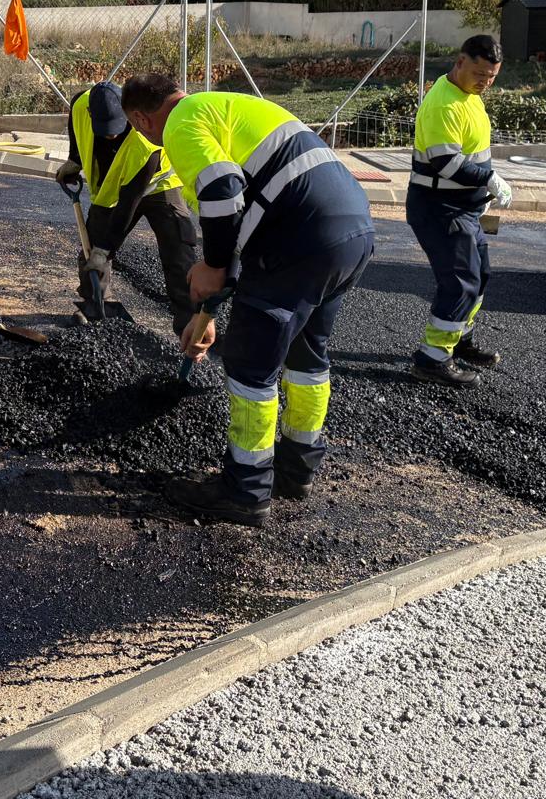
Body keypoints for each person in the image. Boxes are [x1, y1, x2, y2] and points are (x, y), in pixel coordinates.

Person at [122, 76, 374, 528]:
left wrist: (213, 267)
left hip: (296, 237)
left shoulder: (180, 124)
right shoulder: (227, 109)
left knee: (251, 366)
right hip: (351, 227)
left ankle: (245, 489)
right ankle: (296, 472)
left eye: (137, 129)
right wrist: (210, 308)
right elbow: (244, 211)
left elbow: (221, 192)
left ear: (141, 117)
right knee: (306, 355)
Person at [406, 34, 513, 388]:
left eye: (493, 76)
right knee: (460, 281)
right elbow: (446, 164)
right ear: (460, 61)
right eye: (480, 74)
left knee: (478, 275)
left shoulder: (468, 96)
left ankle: (457, 341)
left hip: (461, 209)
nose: (486, 82)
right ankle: (432, 359)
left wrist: (483, 187)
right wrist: (491, 179)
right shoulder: (444, 105)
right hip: (439, 208)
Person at [56, 81, 197, 333]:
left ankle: (189, 321)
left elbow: (128, 205)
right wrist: (74, 160)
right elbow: (75, 125)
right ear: (91, 114)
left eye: (116, 128)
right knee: (92, 246)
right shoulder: (81, 104)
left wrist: (105, 249)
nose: (111, 135)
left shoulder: (145, 145)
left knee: (178, 249)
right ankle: (97, 304)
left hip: (159, 184)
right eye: (105, 129)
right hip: (110, 190)